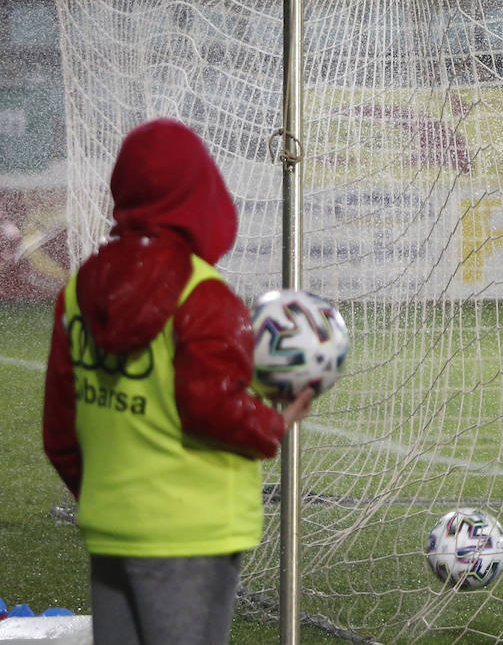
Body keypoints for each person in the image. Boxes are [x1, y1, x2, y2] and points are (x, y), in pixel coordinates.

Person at [42, 118, 314, 645]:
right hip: (195, 534)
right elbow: (210, 407)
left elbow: (60, 432)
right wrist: (274, 420)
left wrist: (109, 500)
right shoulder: (202, 294)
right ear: (202, 194)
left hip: (113, 530)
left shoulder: (77, 293)